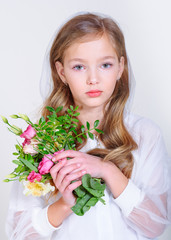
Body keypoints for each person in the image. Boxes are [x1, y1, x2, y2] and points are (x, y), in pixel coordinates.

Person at [6, 12, 171, 240]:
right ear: (61, 72)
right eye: (79, 67)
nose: (93, 79)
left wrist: (107, 170)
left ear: (120, 67)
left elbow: (156, 226)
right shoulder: (39, 142)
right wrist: (64, 205)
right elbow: (18, 234)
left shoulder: (145, 134)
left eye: (105, 64)